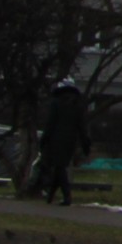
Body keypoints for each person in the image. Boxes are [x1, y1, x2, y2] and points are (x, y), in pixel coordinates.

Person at [34, 78, 86, 206]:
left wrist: (44, 139)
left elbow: (50, 123)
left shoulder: (56, 103)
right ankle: (51, 196)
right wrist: (83, 141)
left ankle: (67, 196)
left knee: (58, 167)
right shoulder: (78, 104)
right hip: (71, 140)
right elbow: (81, 125)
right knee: (60, 167)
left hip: (55, 139)